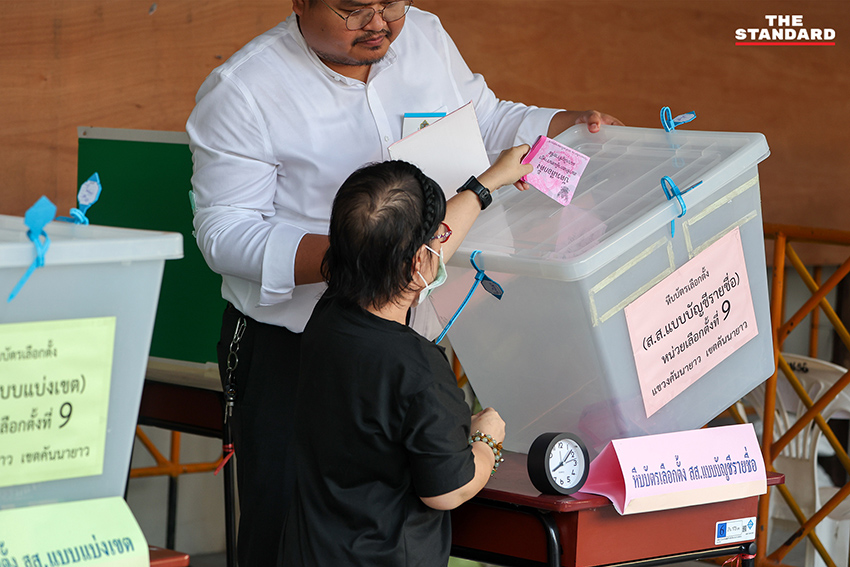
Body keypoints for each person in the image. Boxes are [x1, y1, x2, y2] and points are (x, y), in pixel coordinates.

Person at [186, 1, 623, 564]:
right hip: (298, 349)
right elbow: (224, 232)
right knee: (290, 530)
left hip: (411, 336)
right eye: (352, 8)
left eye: (390, 3)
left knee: (402, 525)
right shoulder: (244, 90)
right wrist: (361, 259)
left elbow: (485, 121)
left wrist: (561, 125)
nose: (378, 23)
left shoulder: (424, 35)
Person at [281, 148, 531, 566]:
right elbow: (448, 490)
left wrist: (488, 183)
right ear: (418, 262)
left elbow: (420, 256)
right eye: (437, 237)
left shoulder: (328, 315)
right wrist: (487, 440)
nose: (442, 242)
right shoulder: (418, 370)